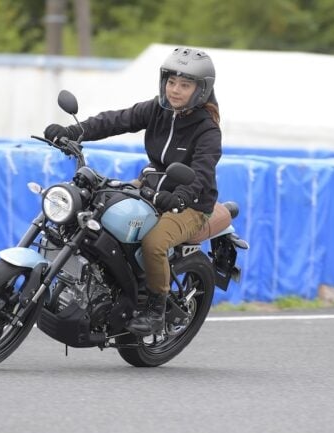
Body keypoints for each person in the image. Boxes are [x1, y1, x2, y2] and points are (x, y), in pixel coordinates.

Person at [43, 47, 221, 336]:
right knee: (99, 206)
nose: (175, 90)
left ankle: (155, 309)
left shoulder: (208, 130)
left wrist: (181, 197)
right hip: (151, 187)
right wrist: (75, 132)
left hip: (190, 204)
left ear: (201, 90)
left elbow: (202, 172)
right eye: (171, 81)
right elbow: (117, 120)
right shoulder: (158, 109)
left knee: (154, 243)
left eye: (185, 85)